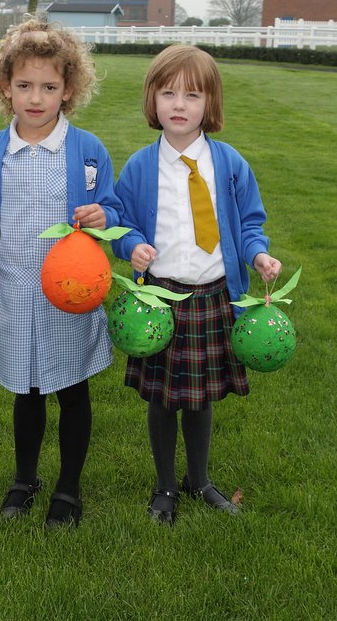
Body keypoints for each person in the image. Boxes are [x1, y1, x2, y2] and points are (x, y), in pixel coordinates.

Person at [0, 18, 122, 528]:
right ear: (5, 88)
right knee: (27, 392)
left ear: (69, 90)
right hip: (15, 292)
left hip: (70, 295)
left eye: (49, 87)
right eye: (24, 86)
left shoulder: (87, 151)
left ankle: (69, 486)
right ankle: (24, 477)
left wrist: (105, 217)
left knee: (72, 389)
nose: (36, 98)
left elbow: (114, 212)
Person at [112, 44, 282, 524]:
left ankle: (200, 480)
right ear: (153, 101)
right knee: (164, 398)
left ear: (210, 103)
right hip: (162, 299)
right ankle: (165, 486)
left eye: (192, 94)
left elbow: (250, 223)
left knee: (201, 397)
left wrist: (259, 254)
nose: (179, 104)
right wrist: (132, 247)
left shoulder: (228, 163)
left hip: (213, 297)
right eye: (168, 93)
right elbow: (122, 223)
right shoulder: (142, 167)